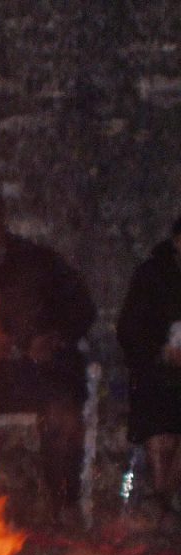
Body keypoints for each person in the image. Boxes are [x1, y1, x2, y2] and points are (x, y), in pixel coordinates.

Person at [0, 187, 96, 521]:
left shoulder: (38, 261)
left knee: (63, 415)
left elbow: (82, 307)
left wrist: (52, 337)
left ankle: (64, 505)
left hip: (44, 371)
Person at [116, 215, 181, 523]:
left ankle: (167, 502)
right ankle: (160, 500)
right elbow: (130, 330)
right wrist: (161, 352)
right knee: (160, 427)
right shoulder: (152, 276)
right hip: (156, 374)